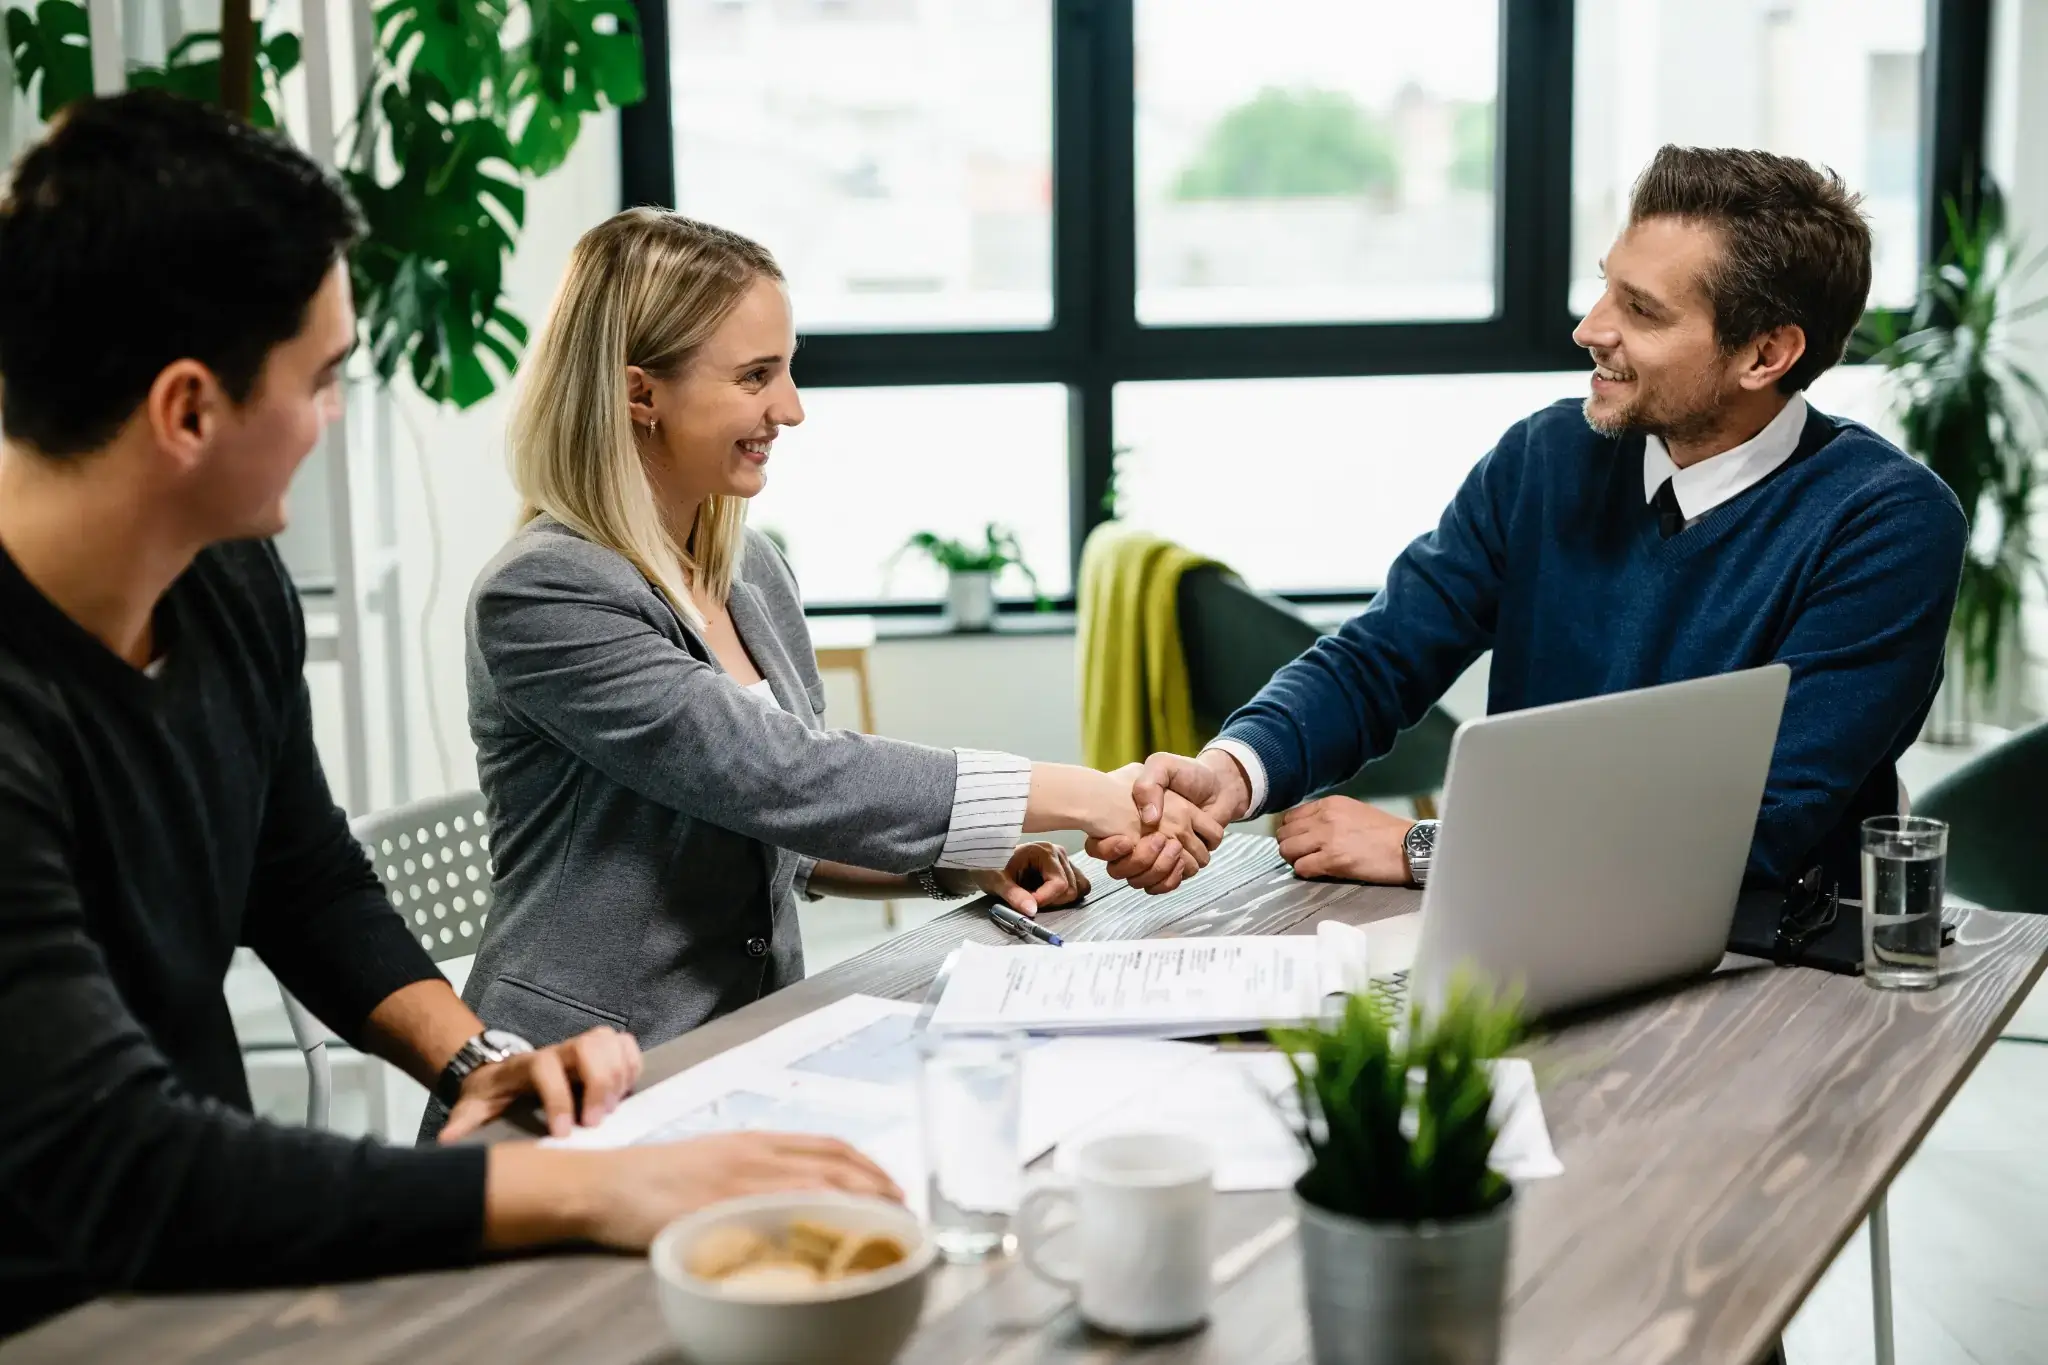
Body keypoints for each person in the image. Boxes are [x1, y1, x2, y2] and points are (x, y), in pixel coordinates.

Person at [0, 91, 900, 1335]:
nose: (332, 420)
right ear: (188, 411)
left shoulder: (222, 577)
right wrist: (585, 1187)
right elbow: (122, 1161)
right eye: (321, 382)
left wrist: (478, 1060)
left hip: (178, 1268)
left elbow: (302, 878)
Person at [453, 210, 1220, 1082]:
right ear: (639, 394)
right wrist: (1086, 793)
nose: (791, 408)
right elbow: (782, 773)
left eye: (786, 370)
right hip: (577, 1078)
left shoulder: (750, 569)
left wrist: (966, 863)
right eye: (755, 377)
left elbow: (792, 827)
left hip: (754, 1043)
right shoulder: (545, 594)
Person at [1116, 146, 1966, 896]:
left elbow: (1760, 825)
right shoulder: (1548, 455)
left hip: (1770, 965)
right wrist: (1234, 768)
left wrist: (1427, 848)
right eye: (1605, 285)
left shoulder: (1888, 523)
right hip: (1527, 920)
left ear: (1765, 355)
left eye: (1642, 310)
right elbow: (1385, 653)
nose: (1589, 327)